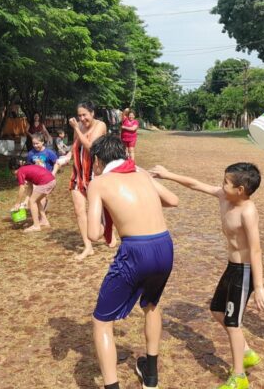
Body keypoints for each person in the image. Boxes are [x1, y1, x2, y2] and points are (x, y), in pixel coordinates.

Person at [150, 163, 264, 389]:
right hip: (232, 267)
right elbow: (195, 184)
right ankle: (245, 351)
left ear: (241, 190)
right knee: (216, 311)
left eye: (226, 182)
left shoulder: (248, 211)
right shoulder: (224, 197)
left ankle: (239, 377)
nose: (221, 185)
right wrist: (167, 174)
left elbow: (255, 249)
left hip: (245, 271)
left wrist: (259, 285)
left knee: (233, 323)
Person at [85, 134, 179, 389]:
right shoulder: (140, 173)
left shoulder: (99, 183)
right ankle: (150, 374)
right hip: (164, 245)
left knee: (102, 321)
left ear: (97, 161)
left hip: (136, 251)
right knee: (151, 304)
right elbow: (173, 200)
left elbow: (93, 234)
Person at [68, 101, 108, 260]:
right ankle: (87, 247)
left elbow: (92, 147)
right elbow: (75, 147)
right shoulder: (78, 126)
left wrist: (77, 128)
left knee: (96, 212)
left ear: (92, 113)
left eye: (84, 114)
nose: (82, 118)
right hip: (78, 174)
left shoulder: (100, 125)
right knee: (79, 211)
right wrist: (65, 158)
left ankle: (107, 228)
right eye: (79, 115)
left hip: (94, 175)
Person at [8, 157, 56, 232]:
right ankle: (44, 221)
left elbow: (22, 188)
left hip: (46, 182)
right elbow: (30, 188)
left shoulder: (20, 171)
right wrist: (24, 201)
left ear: (13, 169)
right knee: (36, 200)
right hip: (52, 180)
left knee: (32, 201)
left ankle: (36, 226)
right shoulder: (26, 169)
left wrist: (17, 203)